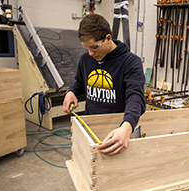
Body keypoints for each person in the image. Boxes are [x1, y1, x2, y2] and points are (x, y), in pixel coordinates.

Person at [62, 14, 146, 155]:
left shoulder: (131, 62)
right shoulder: (85, 59)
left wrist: (126, 127)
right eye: (86, 47)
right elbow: (81, 83)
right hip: (91, 126)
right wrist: (72, 92)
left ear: (108, 38)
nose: (90, 53)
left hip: (118, 132)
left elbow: (136, 97)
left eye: (94, 47)